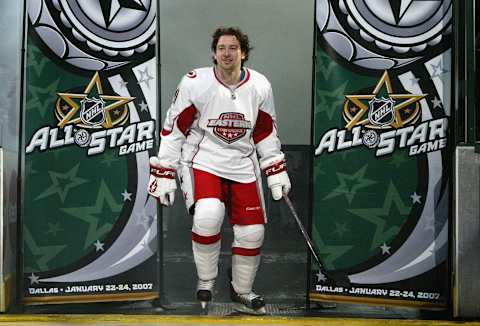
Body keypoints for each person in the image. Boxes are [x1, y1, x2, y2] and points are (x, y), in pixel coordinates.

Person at [147, 26, 291, 315]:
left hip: (242, 163)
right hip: (204, 160)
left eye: (233, 48)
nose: (227, 53)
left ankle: (243, 290)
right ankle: (206, 281)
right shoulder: (195, 82)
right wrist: (164, 171)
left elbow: (265, 130)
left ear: (244, 52)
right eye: (222, 48)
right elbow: (175, 129)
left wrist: (275, 169)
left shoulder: (260, 85)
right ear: (214, 53)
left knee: (252, 232)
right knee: (208, 215)